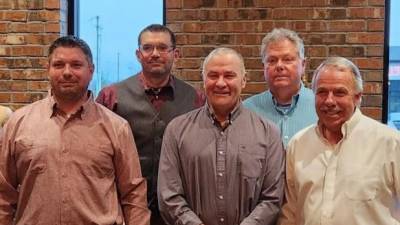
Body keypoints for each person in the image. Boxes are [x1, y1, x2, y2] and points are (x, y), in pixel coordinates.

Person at [0, 36, 150, 225]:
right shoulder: (18, 123)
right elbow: (3, 194)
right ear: (48, 69)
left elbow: (133, 194)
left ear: (91, 70)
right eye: (59, 65)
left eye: (76, 65)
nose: (67, 72)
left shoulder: (116, 127)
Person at [158, 47, 285, 225]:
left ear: (243, 80)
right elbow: (169, 197)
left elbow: (272, 198)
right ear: (203, 80)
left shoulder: (268, 133)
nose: (220, 83)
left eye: (229, 75)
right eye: (213, 75)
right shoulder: (177, 131)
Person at [96, 24, 205, 225]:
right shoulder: (111, 97)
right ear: (138, 54)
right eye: (148, 48)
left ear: (176, 54)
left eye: (163, 48)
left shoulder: (196, 99)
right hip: (124, 210)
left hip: (181, 211)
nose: (155, 54)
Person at [278, 57, 400, 225]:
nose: (329, 101)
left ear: (357, 97)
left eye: (339, 92)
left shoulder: (391, 144)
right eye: (322, 92)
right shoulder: (298, 145)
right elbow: (290, 214)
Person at [244, 28, 317, 147]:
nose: (279, 66)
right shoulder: (247, 111)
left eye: (287, 59)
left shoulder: (320, 106)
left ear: (303, 65)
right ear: (264, 67)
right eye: (272, 60)